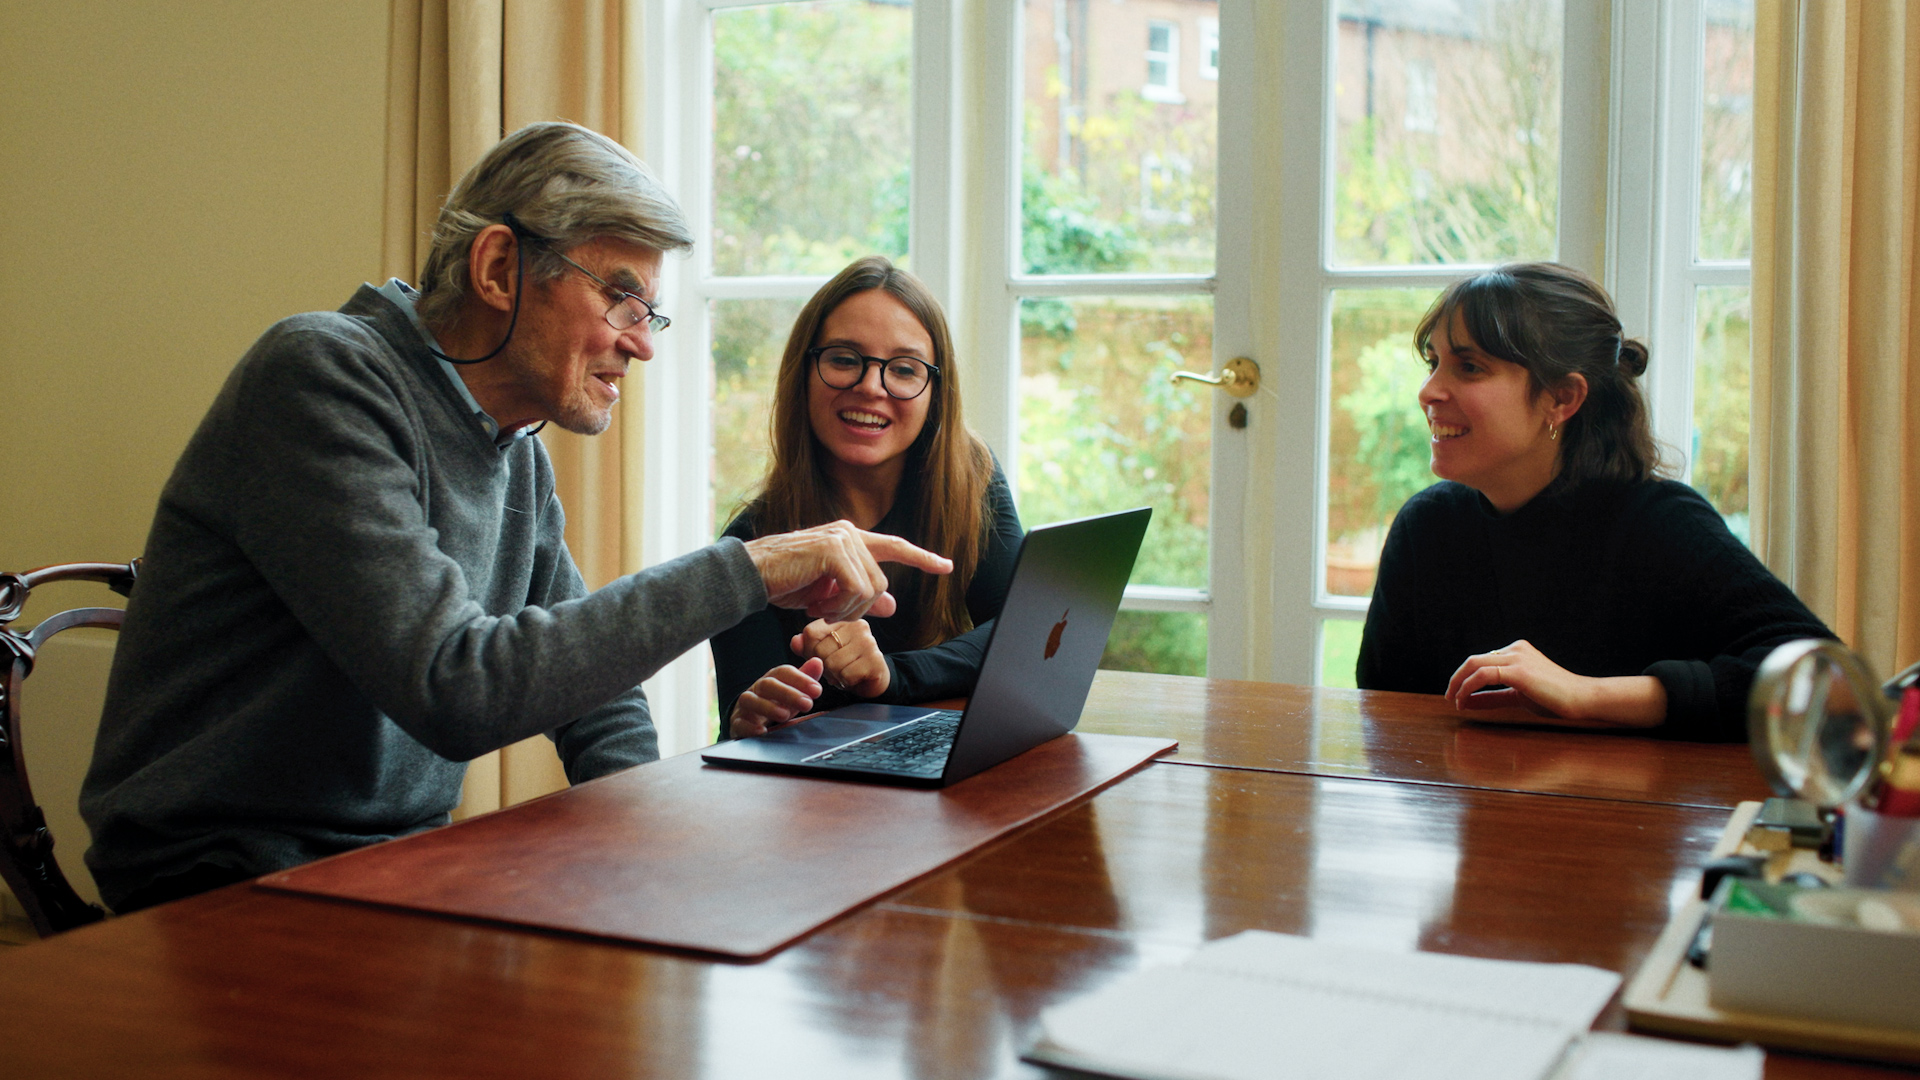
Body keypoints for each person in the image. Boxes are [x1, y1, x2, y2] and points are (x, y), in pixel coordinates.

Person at [80, 124, 950, 914]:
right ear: (499, 270)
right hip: (217, 880)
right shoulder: (321, 377)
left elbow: (599, 702)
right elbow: (459, 686)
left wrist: (651, 851)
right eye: (619, 298)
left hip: (392, 863)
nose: (642, 342)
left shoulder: (513, 452)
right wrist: (751, 567)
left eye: (651, 311)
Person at [1355, 262, 1832, 740]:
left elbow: (1826, 685)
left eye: (1470, 367)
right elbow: (1386, 721)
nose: (1429, 391)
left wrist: (1586, 696)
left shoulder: (1660, 524)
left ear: (1562, 398)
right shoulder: (1426, 529)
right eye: (1433, 362)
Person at [710, 257, 1022, 738]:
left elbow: (1022, 631)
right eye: (844, 359)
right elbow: (746, 724)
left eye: (903, 369)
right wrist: (747, 718)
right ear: (804, 372)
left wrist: (891, 676)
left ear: (935, 391)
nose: (871, 387)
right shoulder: (751, 545)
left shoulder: (973, 480)